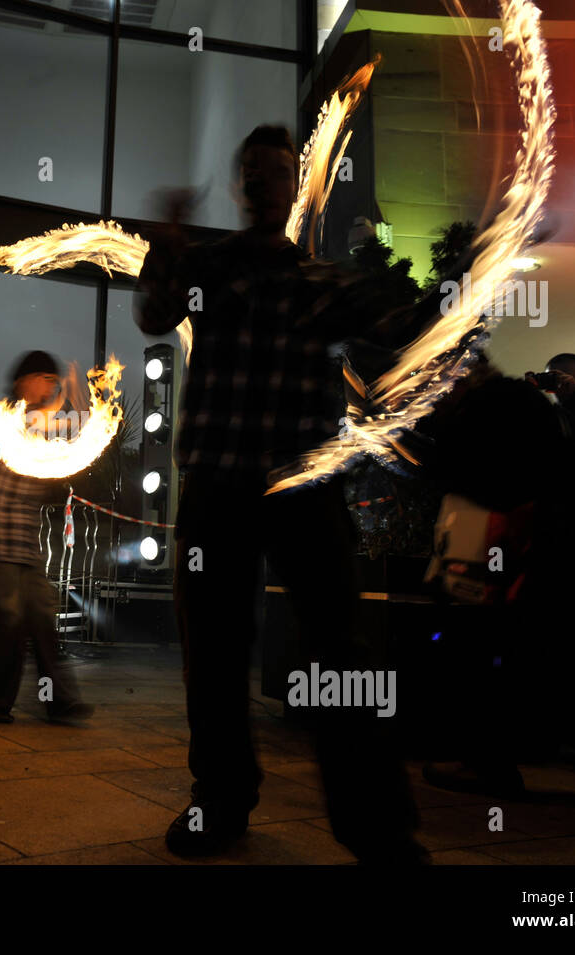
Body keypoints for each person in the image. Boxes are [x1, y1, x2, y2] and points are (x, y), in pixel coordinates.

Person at [136, 125, 438, 863]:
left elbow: (402, 332)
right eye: (256, 171)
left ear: (296, 187)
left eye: (281, 170)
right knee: (213, 648)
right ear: (242, 187)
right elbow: (153, 314)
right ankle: (220, 799)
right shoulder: (206, 265)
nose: (269, 181)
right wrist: (167, 242)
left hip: (304, 486)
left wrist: (451, 283)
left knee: (341, 646)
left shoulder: (324, 282)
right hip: (218, 482)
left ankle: (376, 823)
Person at [0, 351, 94, 726]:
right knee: (9, 617)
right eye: (45, 378)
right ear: (24, 380)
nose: (51, 386)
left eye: (54, 380)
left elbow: (41, 479)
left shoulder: (39, 425)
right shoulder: (2, 420)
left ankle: (59, 700)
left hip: (21, 541)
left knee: (41, 617)